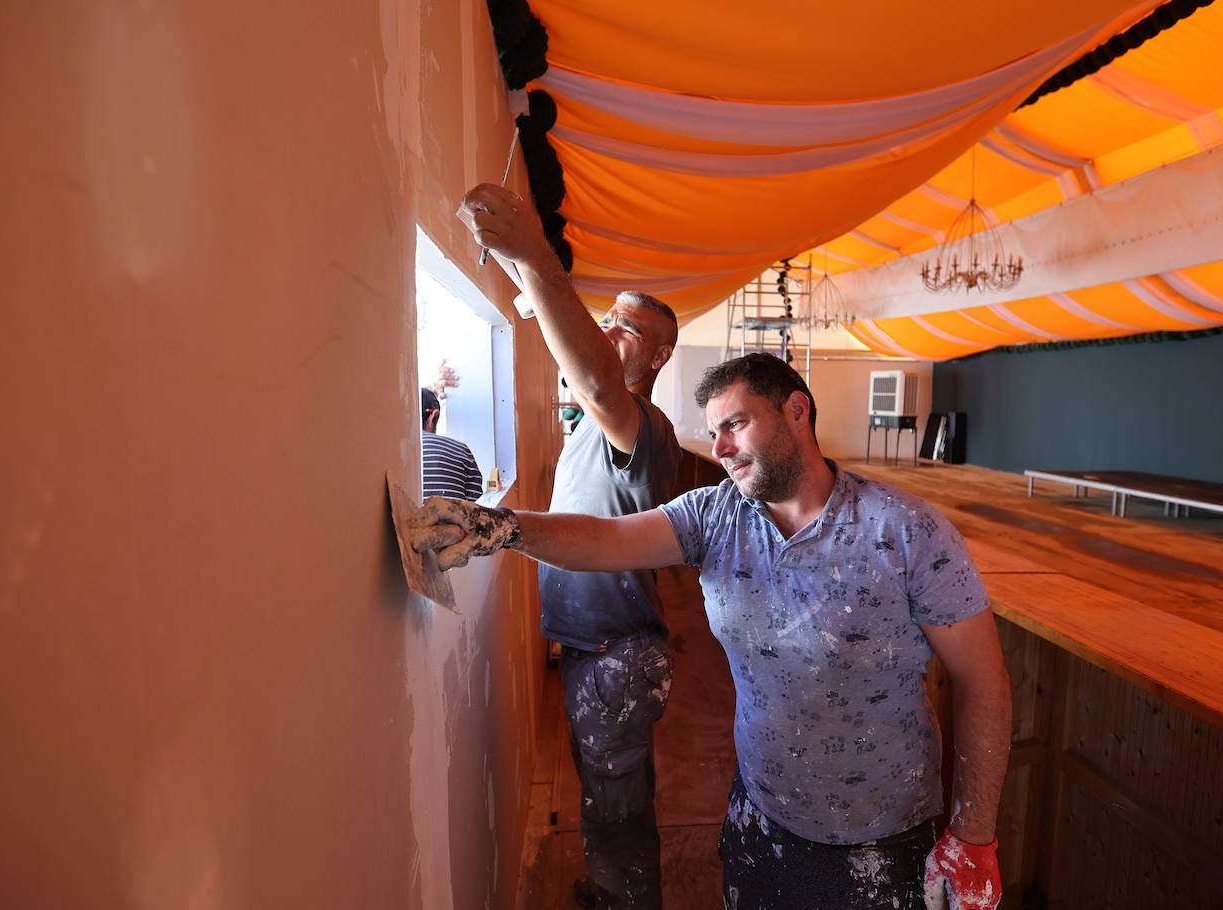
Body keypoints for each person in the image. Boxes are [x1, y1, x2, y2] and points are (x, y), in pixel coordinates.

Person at [409, 352, 1013, 910]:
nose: (720, 446)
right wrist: (502, 527)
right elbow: (603, 538)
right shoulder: (714, 515)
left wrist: (974, 836)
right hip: (760, 815)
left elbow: (982, 681)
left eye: (736, 424)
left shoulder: (907, 531)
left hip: (886, 837)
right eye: (715, 429)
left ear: (796, 411)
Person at [458, 183, 682, 909]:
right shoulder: (596, 423)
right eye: (607, 319)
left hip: (618, 653)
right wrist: (524, 274)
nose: (610, 331)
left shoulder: (637, 426)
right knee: (608, 797)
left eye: (628, 329)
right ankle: (613, 891)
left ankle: (626, 900)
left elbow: (594, 376)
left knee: (618, 814)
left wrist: (534, 253)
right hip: (600, 649)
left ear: (660, 355)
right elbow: (577, 354)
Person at [420, 386, 483, 502]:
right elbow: (476, 510)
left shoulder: (389, 452)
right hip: (450, 520)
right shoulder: (461, 450)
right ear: (433, 416)